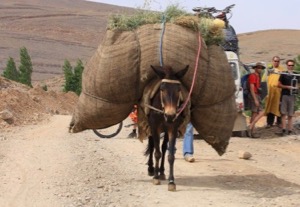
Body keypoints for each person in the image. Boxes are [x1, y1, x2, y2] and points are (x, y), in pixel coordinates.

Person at [276, 60, 298, 136]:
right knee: (283, 113)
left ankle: (290, 130)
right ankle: (283, 129)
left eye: (292, 65)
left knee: (290, 114)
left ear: (293, 66)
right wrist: (287, 87)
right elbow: (278, 84)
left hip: (292, 95)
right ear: (287, 65)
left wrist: (296, 87)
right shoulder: (283, 74)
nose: (290, 67)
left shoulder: (296, 75)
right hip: (285, 95)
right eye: (289, 65)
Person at [264, 56, 286, 128]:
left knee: (279, 107)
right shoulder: (269, 70)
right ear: (272, 61)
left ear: (279, 62)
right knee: (270, 106)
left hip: (279, 92)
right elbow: (264, 80)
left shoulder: (282, 70)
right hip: (270, 91)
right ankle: (269, 123)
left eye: (277, 61)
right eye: (275, 61)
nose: (276, 62)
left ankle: (279, 122)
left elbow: (284, 81)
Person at [247, 62, 266, 138]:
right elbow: (251, 88)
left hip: (257, 95)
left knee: (255, 113)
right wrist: (255, 99)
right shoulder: (253, 76)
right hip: (254, 95)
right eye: (258, 67)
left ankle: (251, 130)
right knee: (261, 112)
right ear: (255, 68)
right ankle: (251, 127)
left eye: (261, 68)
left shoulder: (258, 76)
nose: (260, 69)